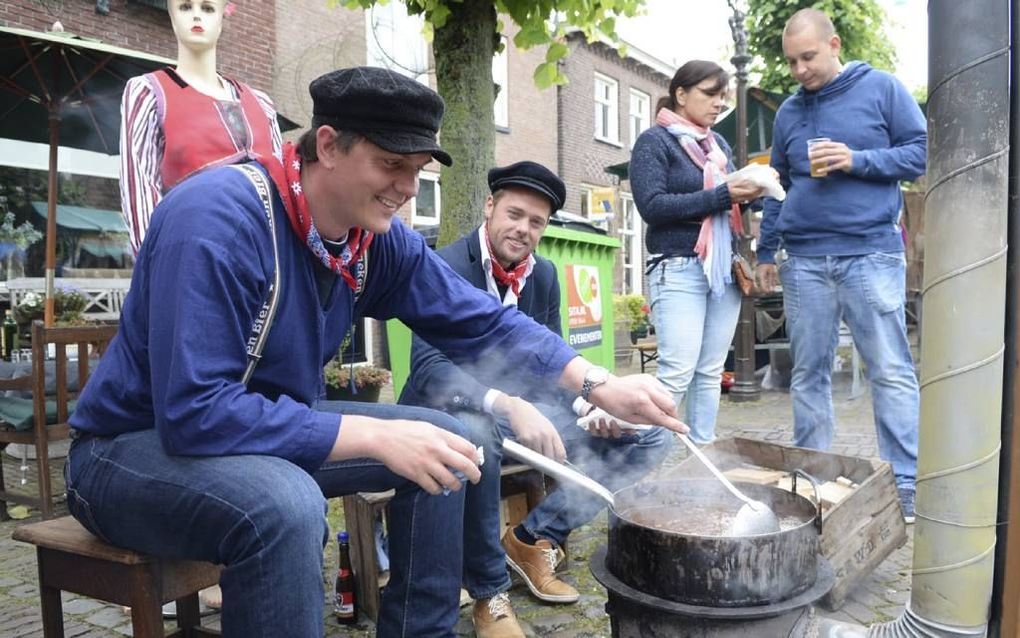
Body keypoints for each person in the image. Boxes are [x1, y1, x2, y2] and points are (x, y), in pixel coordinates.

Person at [66, 66, 685, 638]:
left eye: (418, 169)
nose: (407, 190)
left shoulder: (371, 237)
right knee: (286, 503)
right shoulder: (216, 217)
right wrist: (370, 435)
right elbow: (196, 412)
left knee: (451, 446)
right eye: (392, 164)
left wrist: (597, 384)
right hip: (130, 452)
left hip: (260, 433)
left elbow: (481, 321)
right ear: (329, 145)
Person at [399, 161, 672, 637]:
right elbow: (427, 370)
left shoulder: (542, 275)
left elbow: (549, 366)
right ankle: (489, 592)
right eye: (514, 214)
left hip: (524, 414)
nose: (523, 230)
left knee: (648, 437)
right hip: (446, 409)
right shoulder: (443, 264)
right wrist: (505, 402)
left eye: (536, 222)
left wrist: (588, 407)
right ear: (489, 207)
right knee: (477, 432)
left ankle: (532, 535)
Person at [755, 9, 925, 522]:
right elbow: (776, 186)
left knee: (890, 370)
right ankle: (813, 480)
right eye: (792, 61)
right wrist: (766, 251)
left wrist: (857, 159)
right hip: (804, 259)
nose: (800, 69)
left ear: (833, 44)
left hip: (870, 251)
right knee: (807, 374)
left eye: (808, 57)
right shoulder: (788, 111)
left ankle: (905, 486)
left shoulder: (882, 89)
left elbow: (919, 154)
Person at [629, 60, 768, 444]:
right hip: (677, 267)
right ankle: (640, 461)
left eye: (723, 96)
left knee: (709, 372)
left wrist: (755, 193)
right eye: (711, 93)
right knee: (676, 373)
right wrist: (724, 194)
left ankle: (701, 468)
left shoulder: (718, 146)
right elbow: (652, 207)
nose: (719, 104)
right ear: (681, 93)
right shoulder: (654, 142)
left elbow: (730, 204)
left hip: (721, 268)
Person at [119, 0, 283, 254]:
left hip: (265, 261)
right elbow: (140, 192)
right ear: (173, 17)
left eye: (207, 8)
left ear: (221, 19)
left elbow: (282, 190)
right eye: (185, 7)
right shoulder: (148, 92)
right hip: (191, 259)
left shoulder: (262, 104)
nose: (197, 16)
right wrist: (160, 268)